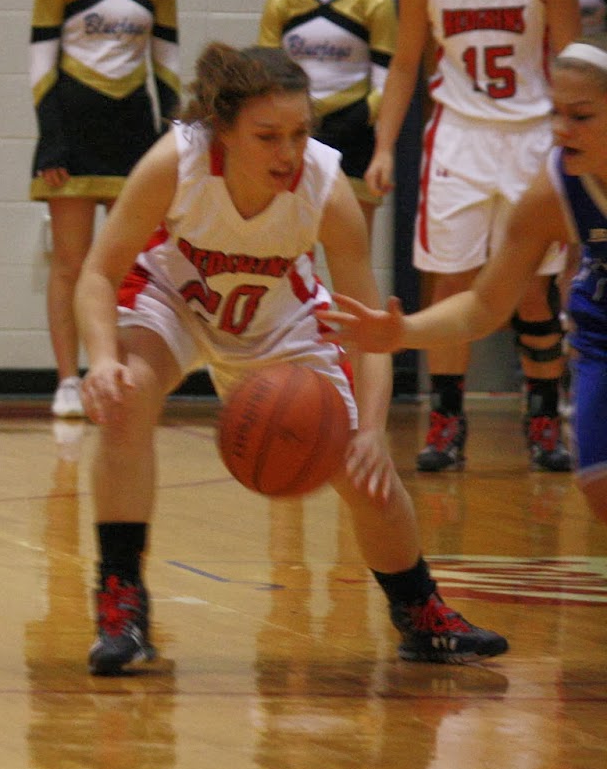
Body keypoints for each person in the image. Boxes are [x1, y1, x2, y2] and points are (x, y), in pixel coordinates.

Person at [75, 43, 507, 676]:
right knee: (127, 399)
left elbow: (368, 328)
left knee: (364, 471)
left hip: (282, 320)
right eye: (268, 135)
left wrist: (370, 430)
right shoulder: (176, 163)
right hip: (176, 299)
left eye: (300, 133)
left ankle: (420, 614)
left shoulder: (328, 192)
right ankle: (122, 603)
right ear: (221, 130)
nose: (287, 152)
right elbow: (97, 273)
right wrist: (103, 360)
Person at [323, 35, 607, 524]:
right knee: (600, 492)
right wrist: (403, 333)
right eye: (554, 114)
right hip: (601, 339)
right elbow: (483, 306)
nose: (561, 130)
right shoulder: (551, 191)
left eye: (580, 117)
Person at [365, 0, 581, 474]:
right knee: (452, 282)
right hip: (457, 137)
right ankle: (446, 420)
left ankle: (542, 414)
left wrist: (577, 150)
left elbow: (571, 67)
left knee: (532, 291)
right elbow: (405, 63)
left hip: (532, 138)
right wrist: (383, 147)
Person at [31, 0, 179, 419]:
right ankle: (68, 380)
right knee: (70, 262)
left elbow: (167, 63)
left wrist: (174, 134)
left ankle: (113, 370)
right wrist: (52, 141)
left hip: (132, 132)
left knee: (129, 261)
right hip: (71, 129)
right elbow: (41, 64)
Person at [258, 0, 396, 233]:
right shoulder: (282, 2)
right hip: (294, 134)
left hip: (354, 135)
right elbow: (264, 75)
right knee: (287, 246)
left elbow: (388, 79)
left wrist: (360, 117)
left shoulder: (373, 2)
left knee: (351, 247)